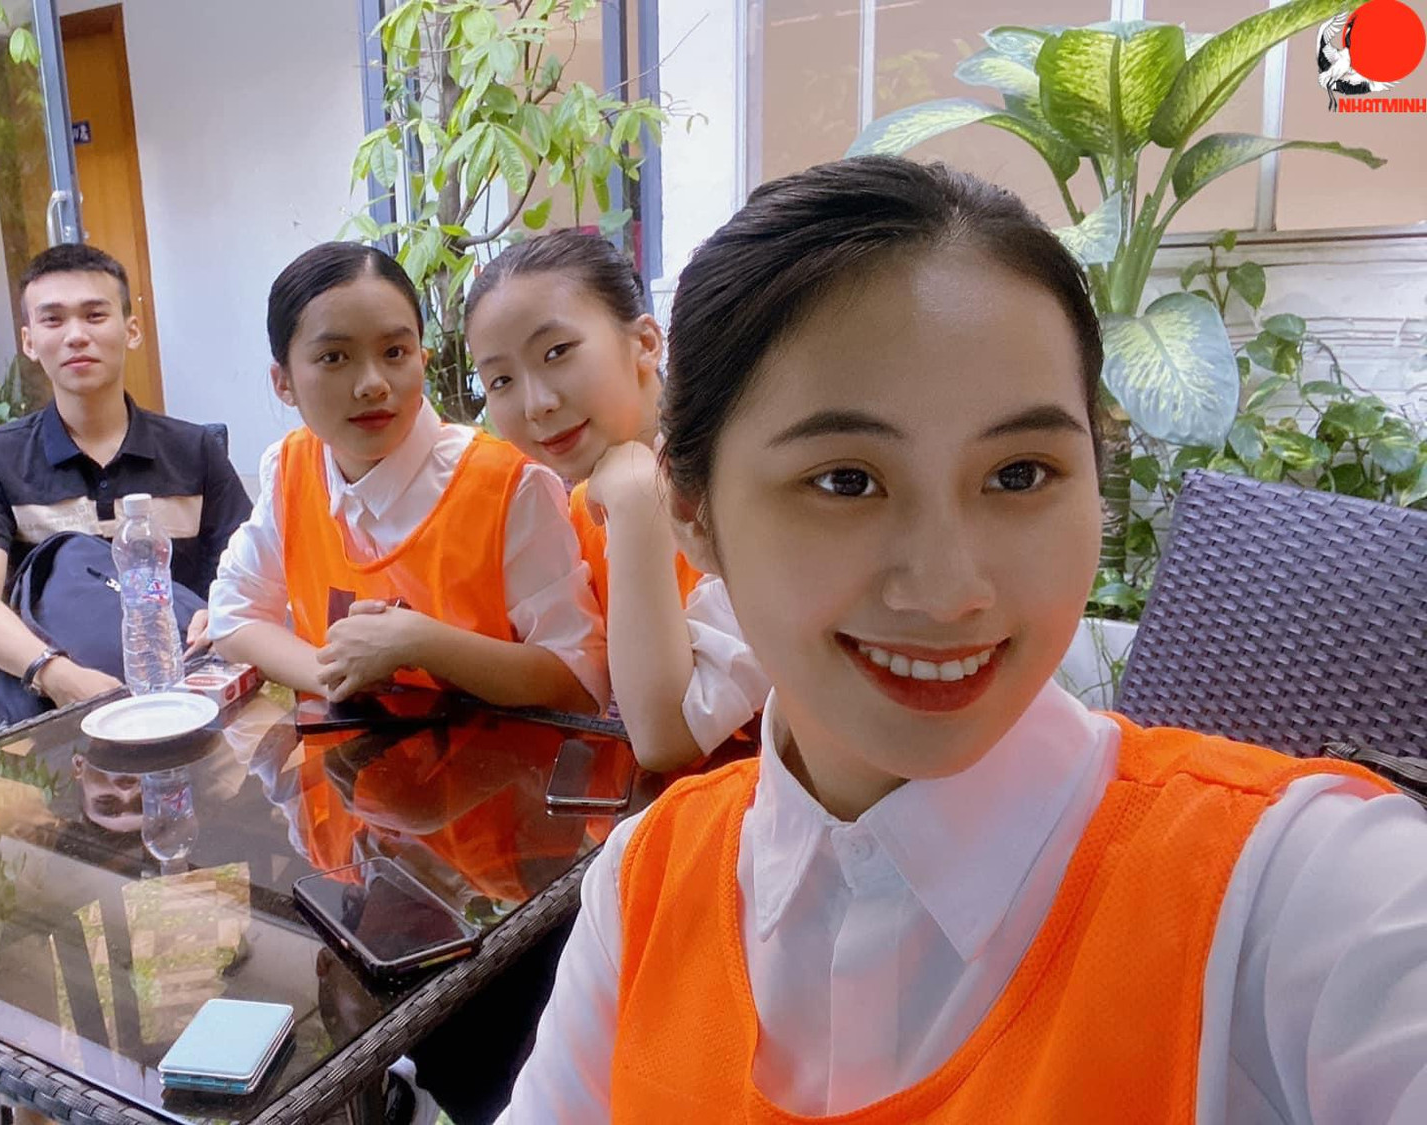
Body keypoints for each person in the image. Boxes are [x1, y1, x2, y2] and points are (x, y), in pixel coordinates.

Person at [502, 157, 1427, 1123]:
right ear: (692, 510)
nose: (950, 591)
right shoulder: (644, 889)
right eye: (847, 481)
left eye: (1020, 474)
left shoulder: (1299, 898)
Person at [208, 241, 604, 713]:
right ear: (283, 382)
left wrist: (423, 643)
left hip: (502, 759)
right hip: (342, 758)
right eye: (334, 357)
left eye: (394, 352)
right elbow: (233, 614)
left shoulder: (508, 488)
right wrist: (332, 672)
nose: (373, 384)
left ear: (423, 358)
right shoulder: (290, 469)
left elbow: (582, 682)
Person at [467, 230, 770, 769]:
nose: (536, 404)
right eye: (501, 380)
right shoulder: (583, 502)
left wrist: (637, 505)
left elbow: (665, 738)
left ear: (646, 343)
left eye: (556, 352)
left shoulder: (741, 483)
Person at [0, 242, 251, 709]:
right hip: (52, 705)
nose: (76, 336)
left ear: (131, 330)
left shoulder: (194, 451)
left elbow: (253, 575)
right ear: (29, 341)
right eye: (53, 320)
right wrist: (56, 674)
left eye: (95, 316)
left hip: (187, 695)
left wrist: (223, 612)